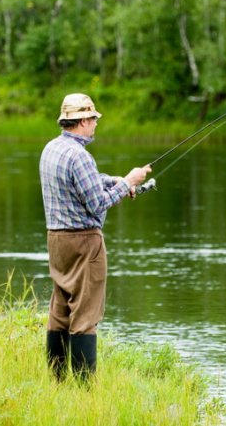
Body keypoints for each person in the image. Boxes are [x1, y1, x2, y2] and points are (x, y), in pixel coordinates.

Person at [40, 93, 151, 381]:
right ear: (82, 121)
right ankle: (83, 387)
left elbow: (81, 184)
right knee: (86, 316)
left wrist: (112, 180)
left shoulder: (51, 149)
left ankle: (57, 379)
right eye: (93, 120)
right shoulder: (80, 156)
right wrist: (129, 181)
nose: (95, 125)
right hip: (84, 243)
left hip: (56, 241)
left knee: (60, 309)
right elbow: (98, 204)